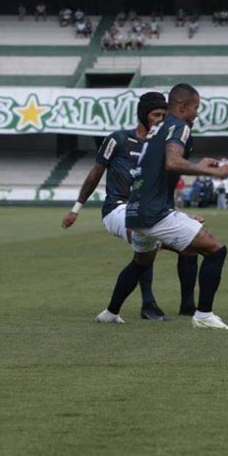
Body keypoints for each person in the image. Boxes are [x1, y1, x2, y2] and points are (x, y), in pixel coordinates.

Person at [96, 83, 228, 329]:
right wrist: (212, 172)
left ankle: (110, 312)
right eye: (196, 108)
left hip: (135, 211)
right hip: (154, 213)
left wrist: (197, 163)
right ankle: (203, 314)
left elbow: (162, 163)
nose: (196, 113)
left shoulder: (159, 128)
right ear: (183, 107)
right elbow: (172, 163)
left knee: (140, 263)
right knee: (216, 250)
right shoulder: (180, 126)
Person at [61, 92, 170, 321]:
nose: (160, 120)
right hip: (117, 208)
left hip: (146, 209)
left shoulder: (161, 146)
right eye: (155, 114)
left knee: (190, 241)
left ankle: (191, 306)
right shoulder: (117, 140)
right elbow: (94, 175)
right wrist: (76, 209)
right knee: (145, 233)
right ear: (143, 114)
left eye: (163, 115)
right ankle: (147, 304)